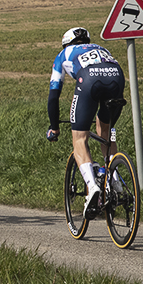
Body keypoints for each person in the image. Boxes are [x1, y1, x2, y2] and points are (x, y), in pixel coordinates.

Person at [45, 26, 127, 218]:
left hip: (90, 79)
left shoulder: (63, 54)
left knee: (80, 139)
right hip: (117, 75)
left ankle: (92, 186)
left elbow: (53, 95)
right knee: (105, 130)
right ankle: (114, 178)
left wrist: (54, 127)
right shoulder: (101, 48)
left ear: (66, 43)